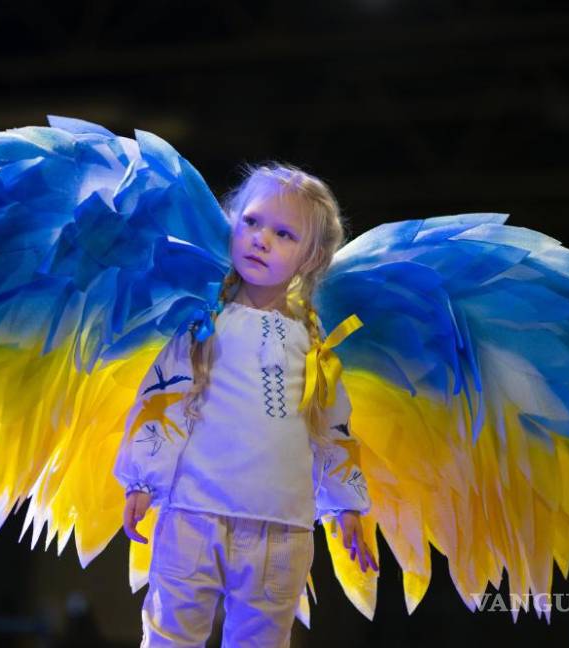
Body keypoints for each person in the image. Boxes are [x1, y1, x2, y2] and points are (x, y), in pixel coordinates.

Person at [114, 163, 379, 647]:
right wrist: (141, 479)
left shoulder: (315, 347)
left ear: (312, 257)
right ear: (232, 223)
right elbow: (162, 396)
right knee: (170, 635)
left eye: (283, 233)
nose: (261, 239)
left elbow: (333, 428)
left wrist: (347, 508)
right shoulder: (202, 324)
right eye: (252, 222)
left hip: (282, 530)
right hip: (194, 511)